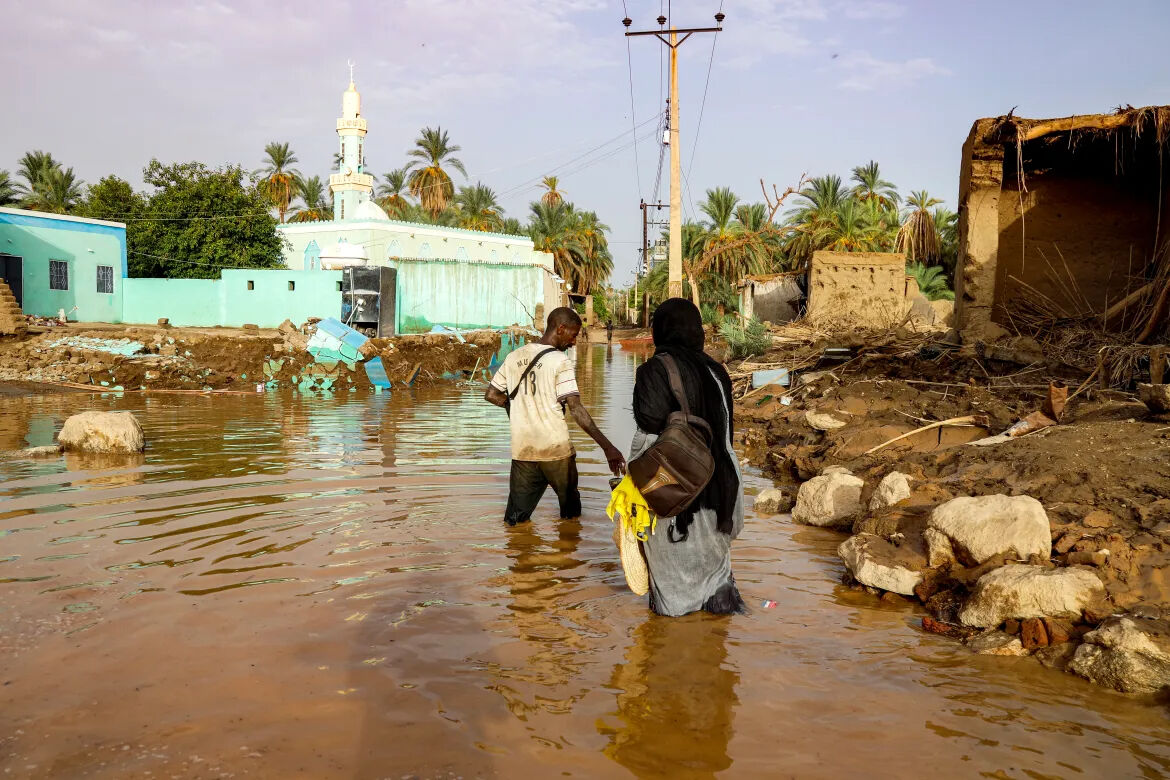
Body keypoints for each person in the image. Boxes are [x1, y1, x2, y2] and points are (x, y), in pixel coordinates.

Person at [630, 298, 745, 616]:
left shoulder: (654, 370)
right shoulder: (717, 371)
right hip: (722, 490)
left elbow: (649, 427)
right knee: (716, 576)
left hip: (676, 493)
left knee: (673, 591)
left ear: (660, 331)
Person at [485, 307, 626, 526]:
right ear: (560, 328)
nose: (574, 342)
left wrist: (517, 408)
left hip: (523, 451)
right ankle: (568, 546)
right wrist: (608, 447)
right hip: (556, 452)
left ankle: (519, 547)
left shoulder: (514, 356)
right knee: (571, 517)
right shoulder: (560, 361)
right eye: (573, 335)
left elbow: (492, 394)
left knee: (515, 522)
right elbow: (575, 408)